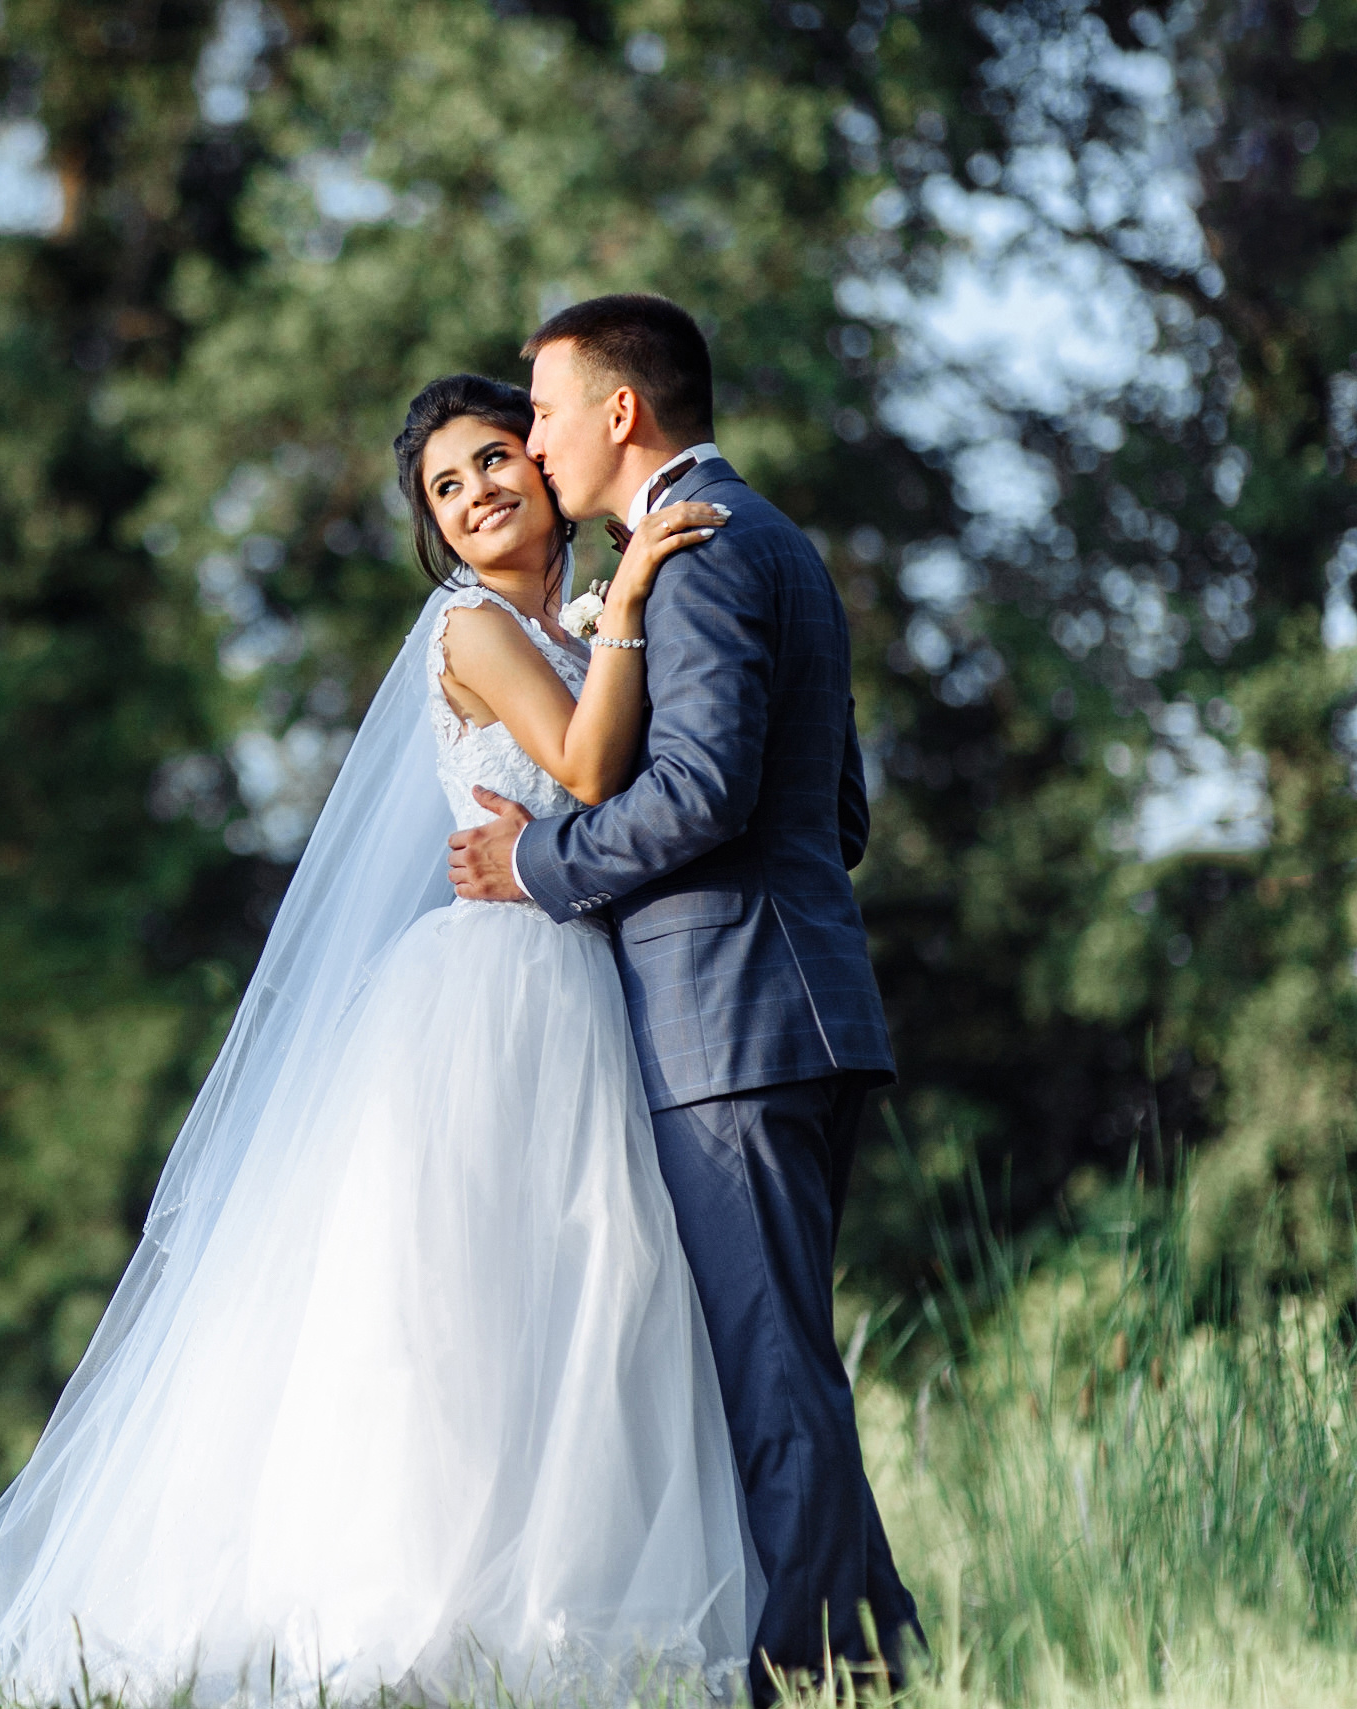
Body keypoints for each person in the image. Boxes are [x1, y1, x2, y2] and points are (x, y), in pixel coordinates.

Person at [0, 371, 756, 1706]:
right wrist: (627, 603)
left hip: (581, 993)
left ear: (549, 458)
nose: (477, 497)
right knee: (450, 1303)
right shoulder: (472, 629)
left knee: (579, 1288)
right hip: (488, 998)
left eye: (495, 460)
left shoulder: (561, 624)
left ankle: (554, 1598)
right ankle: (409, 1601)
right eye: (446, 489)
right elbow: (583, 769)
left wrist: (610, 620)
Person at [448, 293, 921, 1696]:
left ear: (620, 411)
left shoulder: (699, 551)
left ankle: (831, 1670)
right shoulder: (775, 538)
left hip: (729, 1023)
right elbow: (835, 812)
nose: (529, 441)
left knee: (769, 1374)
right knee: (785, 1363)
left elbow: (705, 796)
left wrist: (539, 858)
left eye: (539, 410)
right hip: (800, 1002)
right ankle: (871, 1650)